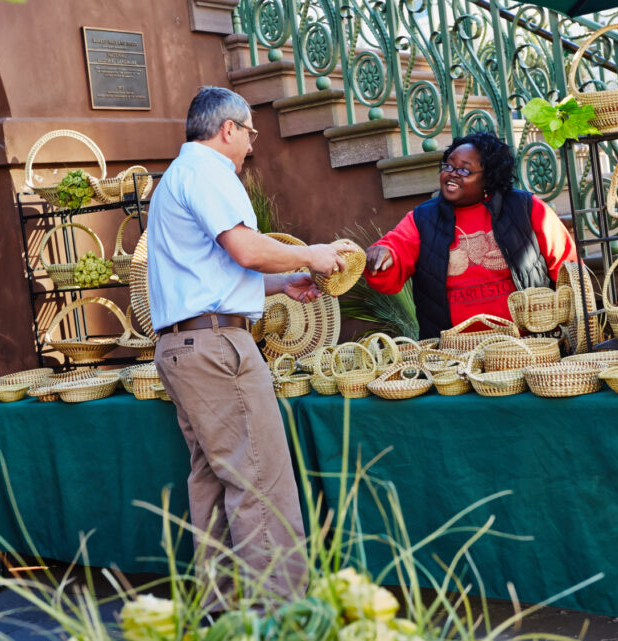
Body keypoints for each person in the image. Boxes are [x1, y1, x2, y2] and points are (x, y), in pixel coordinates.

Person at [147, 86, 345, 607]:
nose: (251, 147)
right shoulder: (211, 171)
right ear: (228, 128)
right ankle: (280, 613)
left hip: (183, 345)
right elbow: (245, 250)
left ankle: (222, 608)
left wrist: (286, 282)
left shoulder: (176, 177)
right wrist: (317, 255)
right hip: (217, 347)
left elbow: (212, 276)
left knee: (213, 480)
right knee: (260, 477)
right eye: (250, 133)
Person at [364, 131, 577, 339]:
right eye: (448, 165)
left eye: (465, 170)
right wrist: (382, 256)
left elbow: (569, 269)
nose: (452, 173)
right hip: (452, 356)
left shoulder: (526, 208)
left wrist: (572, 324)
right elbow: (393, 257)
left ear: (488, 179)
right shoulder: (422, 219)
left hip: (529, 344)